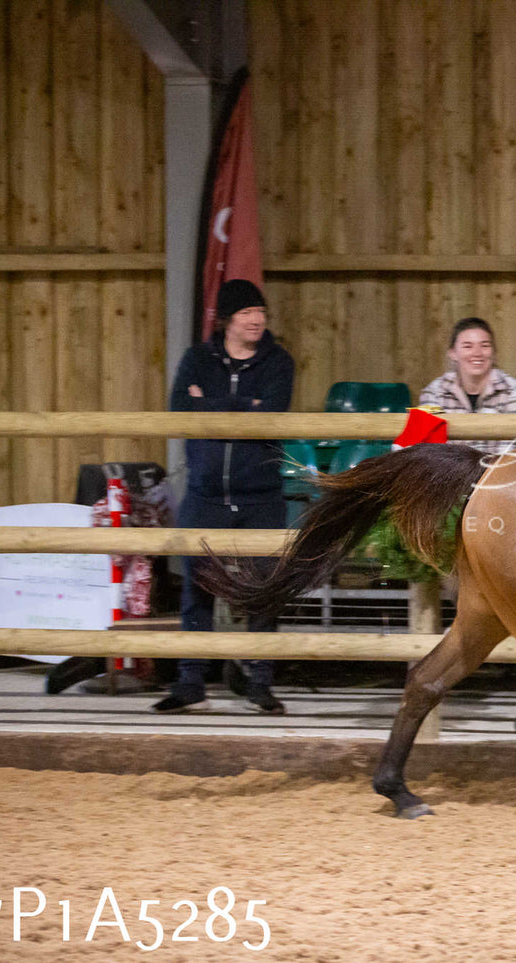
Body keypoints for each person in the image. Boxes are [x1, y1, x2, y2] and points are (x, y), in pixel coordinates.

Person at [152, 279, 294, 715]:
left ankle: (260, 682)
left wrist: (209, 403)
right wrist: (242, 404)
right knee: (196, 587)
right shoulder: (197, 358)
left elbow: (270, 413)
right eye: (247, 312)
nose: (256, 320)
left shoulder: (279, 361)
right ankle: (190, 682)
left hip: (260, 493)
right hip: (206, 492)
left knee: (263, 588)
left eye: (261, 313)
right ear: (227, 319)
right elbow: (179, 409)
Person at [417, 317, 516, 454]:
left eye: (485, 345)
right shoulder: (434, 392)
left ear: (493, 353)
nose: (477, 353)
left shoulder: (515, 391)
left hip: (498, 473)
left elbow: (509, 454)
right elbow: (429, 450)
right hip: (447, 474)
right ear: (453, 353)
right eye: (467, 346)